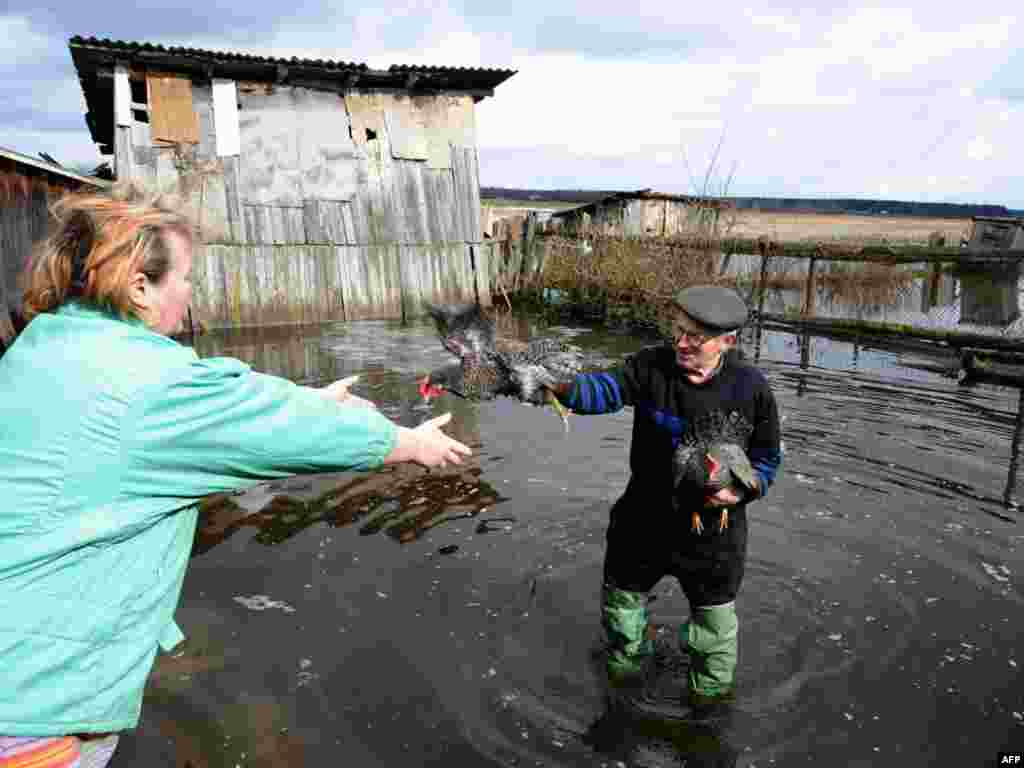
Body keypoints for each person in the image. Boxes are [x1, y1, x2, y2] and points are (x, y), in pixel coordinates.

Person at [0, 182, 471, 767]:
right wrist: (407, 442)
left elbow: (192, 425)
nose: (193, 294)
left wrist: (304, 399)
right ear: (140, 286)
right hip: (34, 711)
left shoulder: (43, 349)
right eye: (188, 279)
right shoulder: (151, 381)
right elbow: (223, 414)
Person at [550, 285, 782, 704]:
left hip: (715, 537)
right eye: (677, 330)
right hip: (643, 522)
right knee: (622, 622)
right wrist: (556, 385)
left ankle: (709, 711)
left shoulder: (752, 389)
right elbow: (602, 391)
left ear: (727, 341)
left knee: (714, 641)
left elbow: (766, 461)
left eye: (696, 336)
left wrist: (740, 492)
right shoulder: (650, 366)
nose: (681, 343)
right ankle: (622, 692)